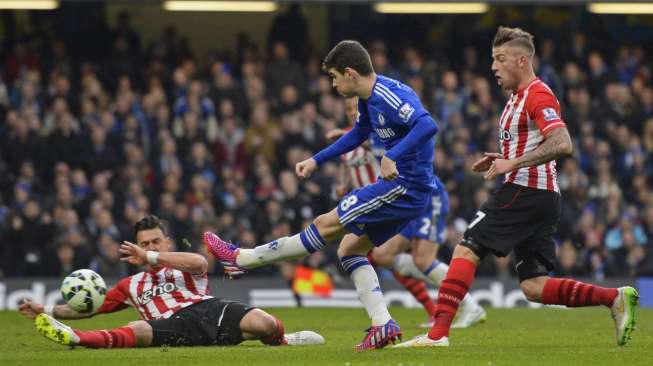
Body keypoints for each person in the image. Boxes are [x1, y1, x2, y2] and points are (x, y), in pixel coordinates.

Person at [394, 26, 638, 348]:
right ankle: (614, 298)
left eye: (500, 59)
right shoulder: (515, 98)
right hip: (542, 196)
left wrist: (514, 164)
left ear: (522, 61)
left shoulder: (537, 93)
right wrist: (504, 157)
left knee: (466, 248)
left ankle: (437, 335)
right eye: (492, 59)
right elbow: (535, 144)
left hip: (527, 191)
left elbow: (563, 142)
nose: (493, 66)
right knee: (534, 287)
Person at [205, 40, 440, 351]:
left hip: (404, 186)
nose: (333, 84)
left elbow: (428, 123)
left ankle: (241, 259)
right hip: (409, 189)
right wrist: (317, 159)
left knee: (325, 225)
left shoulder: (387, 94)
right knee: (349, 249)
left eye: (334, 77)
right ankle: (382, 324)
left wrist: (392, 154)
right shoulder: (369, 99)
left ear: (350, 73)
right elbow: (358, 134)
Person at [19, 214, 324, 348]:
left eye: (155, 242)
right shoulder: (131, 285)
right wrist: (46, 308)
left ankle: (284, 340)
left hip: (208, 311)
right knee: (137, 328)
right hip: (168, 326)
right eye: (145, 244)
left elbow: (201, 262)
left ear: (166, 242)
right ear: (136, 245)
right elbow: (91, 307)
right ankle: (76, 338)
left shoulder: (179, 262)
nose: (150, 248)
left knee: (266, 325)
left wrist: (152, 258)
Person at [331, 97, 485, 329]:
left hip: (425, 196)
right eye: (349, 109)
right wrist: (343, 183)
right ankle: (448, 305)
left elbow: (389, 147)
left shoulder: (381, 131)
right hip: (398, 201)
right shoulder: (352, 141)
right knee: (383, 256)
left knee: (421, 259)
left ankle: (469, 305)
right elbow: (348, 165)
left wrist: (353, 140)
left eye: (356, 107)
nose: (353, 112)